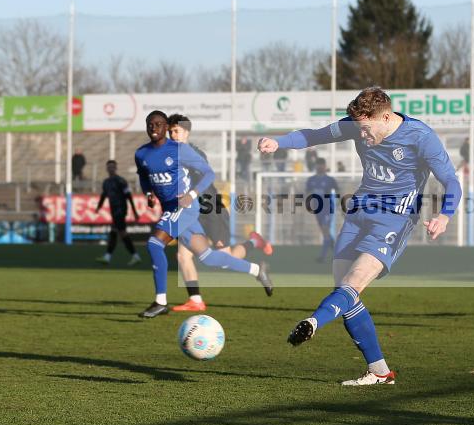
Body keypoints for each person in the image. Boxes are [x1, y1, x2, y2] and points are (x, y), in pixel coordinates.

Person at [257, 87, 461, 385]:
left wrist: (445, 215)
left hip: (395, 219)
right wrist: (279, 142)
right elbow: (313, 135)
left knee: (352, 284)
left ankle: (313, 321)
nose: (362, 136)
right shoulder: (357, 125)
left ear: (386, 117)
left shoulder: (420, 136)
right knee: (344, 290)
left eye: (367, 129)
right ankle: (379, 372)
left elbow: (450, 179)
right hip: (359, 213)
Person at [135, 110, 273, 319]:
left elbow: (209, 173)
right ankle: (256, 270)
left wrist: (191, 194)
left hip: (187, 208)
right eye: (150, 124)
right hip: (174, 209)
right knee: (207, 257)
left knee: (155, 244)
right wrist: (148, 192)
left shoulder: (183, 151)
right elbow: (144, 176)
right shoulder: (141, 154)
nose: (154, 128)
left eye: (160, 125)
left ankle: (160, 301)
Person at [94, 160, 142, 266]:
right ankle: (109, 257)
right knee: (116, 233)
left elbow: (129, 196)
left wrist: (134, 212)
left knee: (119, 232)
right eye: (109, 167)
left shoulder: (120, 181)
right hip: (114, 210)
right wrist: (99, 207)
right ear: (107, 168)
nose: (111, 168)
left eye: (113, 167)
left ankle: (133, 256)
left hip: (121, 209)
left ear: (115, 168)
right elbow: (103, 195)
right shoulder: (106, 182)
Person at [305, 157, 339, 263]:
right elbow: (307, 192)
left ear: (325, 166)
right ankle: (337, 251)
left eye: (321, 165)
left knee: (325, 231)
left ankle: (322, 257)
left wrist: (338, 203)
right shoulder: (311, 180)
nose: (320, 167)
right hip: (317, 209)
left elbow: (338, 191)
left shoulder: (330, 180)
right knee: (325, 233)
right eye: (318, 165)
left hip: (327, 208)